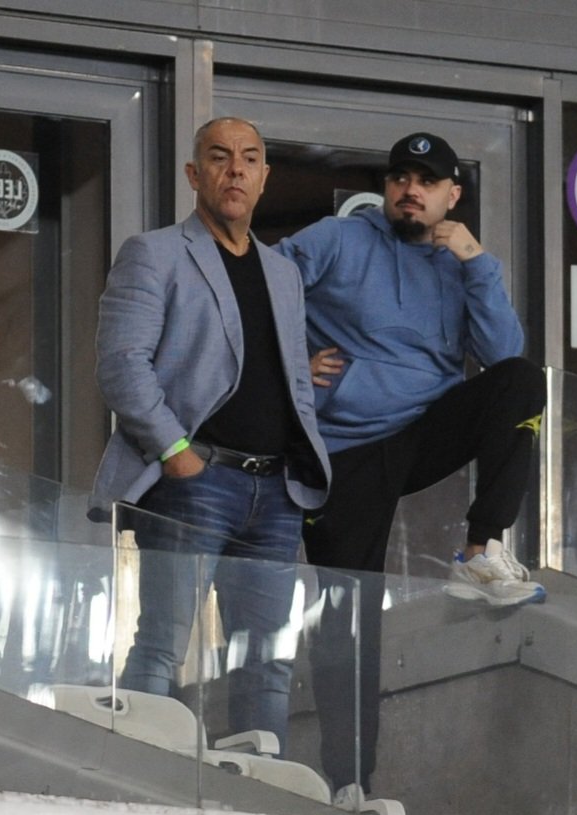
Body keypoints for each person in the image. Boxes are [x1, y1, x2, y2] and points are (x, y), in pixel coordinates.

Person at [275, 132, 547, 794]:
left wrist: (475, 259)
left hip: (422, 429)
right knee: (349, 611)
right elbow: (259, 288)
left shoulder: (463, 265)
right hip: (346, 449)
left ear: (451, 196)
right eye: (400, 176)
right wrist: (294, 367)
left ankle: (480, 549)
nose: (410, 189)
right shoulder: (340, 239)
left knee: (521, 381)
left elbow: (503, 354)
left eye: (426, 181)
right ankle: (351, 785)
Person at [91, 117, 331, 753]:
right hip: (196, 479)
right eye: (220, 159)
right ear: (195, 175)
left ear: (263, 178)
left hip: (274, 492)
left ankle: (260, 789)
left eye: (249, 159)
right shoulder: (155, 252)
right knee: (163, 643)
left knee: (268, 661)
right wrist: (175, 453)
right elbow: (121, 364)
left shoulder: (283, 273)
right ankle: (132, 781)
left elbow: (287, 381)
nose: (236, 171)